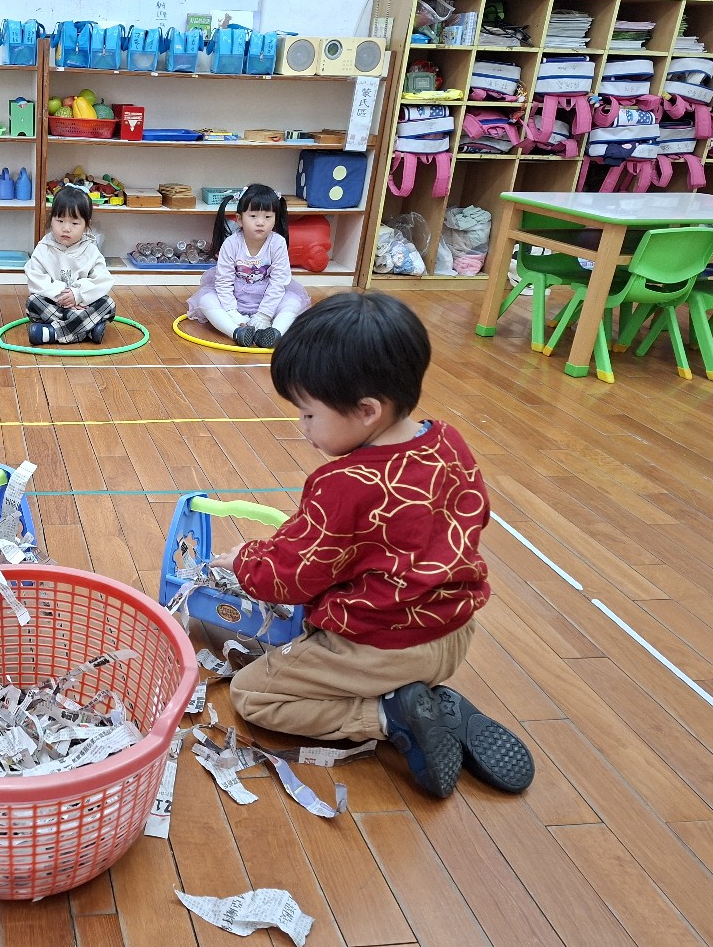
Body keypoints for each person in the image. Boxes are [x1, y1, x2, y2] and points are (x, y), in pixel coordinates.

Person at [210, 292, 534, 798]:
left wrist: (244, 561)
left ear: (366, 411)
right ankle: (423, 698)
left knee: (253, 697)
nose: (302, 427)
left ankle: (390, 714)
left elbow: (292, 577)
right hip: (455, 633)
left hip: (382, 650)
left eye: (308, 414)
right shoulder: (448, 441)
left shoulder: (344, 483)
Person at [185, 183, 310, 348]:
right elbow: (223, 281)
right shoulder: (231, 244)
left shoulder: (277, 243)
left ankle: (275, 333)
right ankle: (236, 332)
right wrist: (232, 313)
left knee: (293, 303)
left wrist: (264, 315)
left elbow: (278, 282)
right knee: (206, 300)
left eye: (268, 217)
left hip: (267, 299)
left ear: (275, 218)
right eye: (253, 216)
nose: (260, 222)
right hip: (235, 297)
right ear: (239, 219)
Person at [24, 185, 116, 345]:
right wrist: (62, 296)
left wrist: (78, 294)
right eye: (60, 221)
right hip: (55, 304)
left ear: (86, 225)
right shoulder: (43, 248)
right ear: (51, 219)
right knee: (33, 302)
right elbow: (36, 280)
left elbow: (102, 280)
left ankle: (52, 333)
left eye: (74, 223)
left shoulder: (91, 249)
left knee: (108, 304)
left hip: (83, 304)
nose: (66, 228)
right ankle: (87, 329)